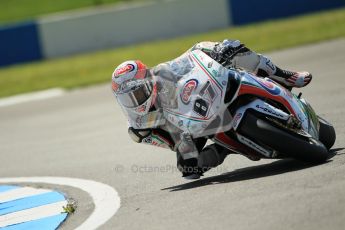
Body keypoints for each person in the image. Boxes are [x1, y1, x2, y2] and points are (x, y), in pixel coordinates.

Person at [111, 39, 312, 179]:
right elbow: (173, 145)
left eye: (137, 93)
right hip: (188, 129)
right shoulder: (139, 128)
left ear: (148, 82)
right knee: (188, 168)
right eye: (128, 98)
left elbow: (192, 57)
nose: (135, 100)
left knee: (232, 49)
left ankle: (283, 75)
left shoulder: (163, 74)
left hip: (204, 98)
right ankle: (226, 149)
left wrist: (216, 51)